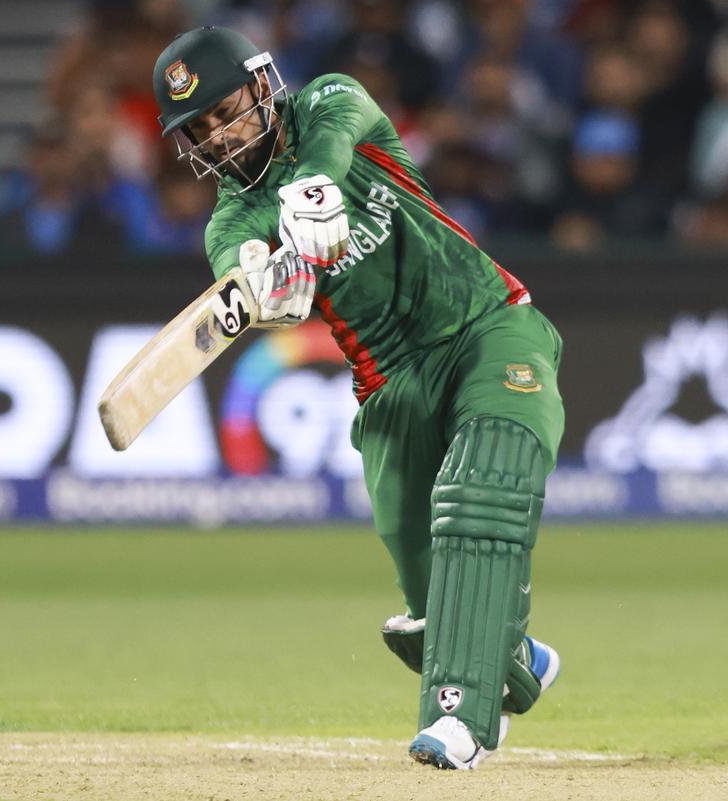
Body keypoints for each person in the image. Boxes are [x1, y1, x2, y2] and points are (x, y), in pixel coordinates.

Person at [150, 26, 564, 769]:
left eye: (228, 109)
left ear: (262, 85)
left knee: (480, 494)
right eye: (201, 128)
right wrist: (276, 274)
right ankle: (514, 655)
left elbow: (337, 140)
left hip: (486, 325)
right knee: (432, 611)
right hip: (391, 391)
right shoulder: (231, 219)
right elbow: (245, 275)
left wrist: (311, 192)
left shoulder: (330, 99)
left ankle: (460, 721)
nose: (223, 133)